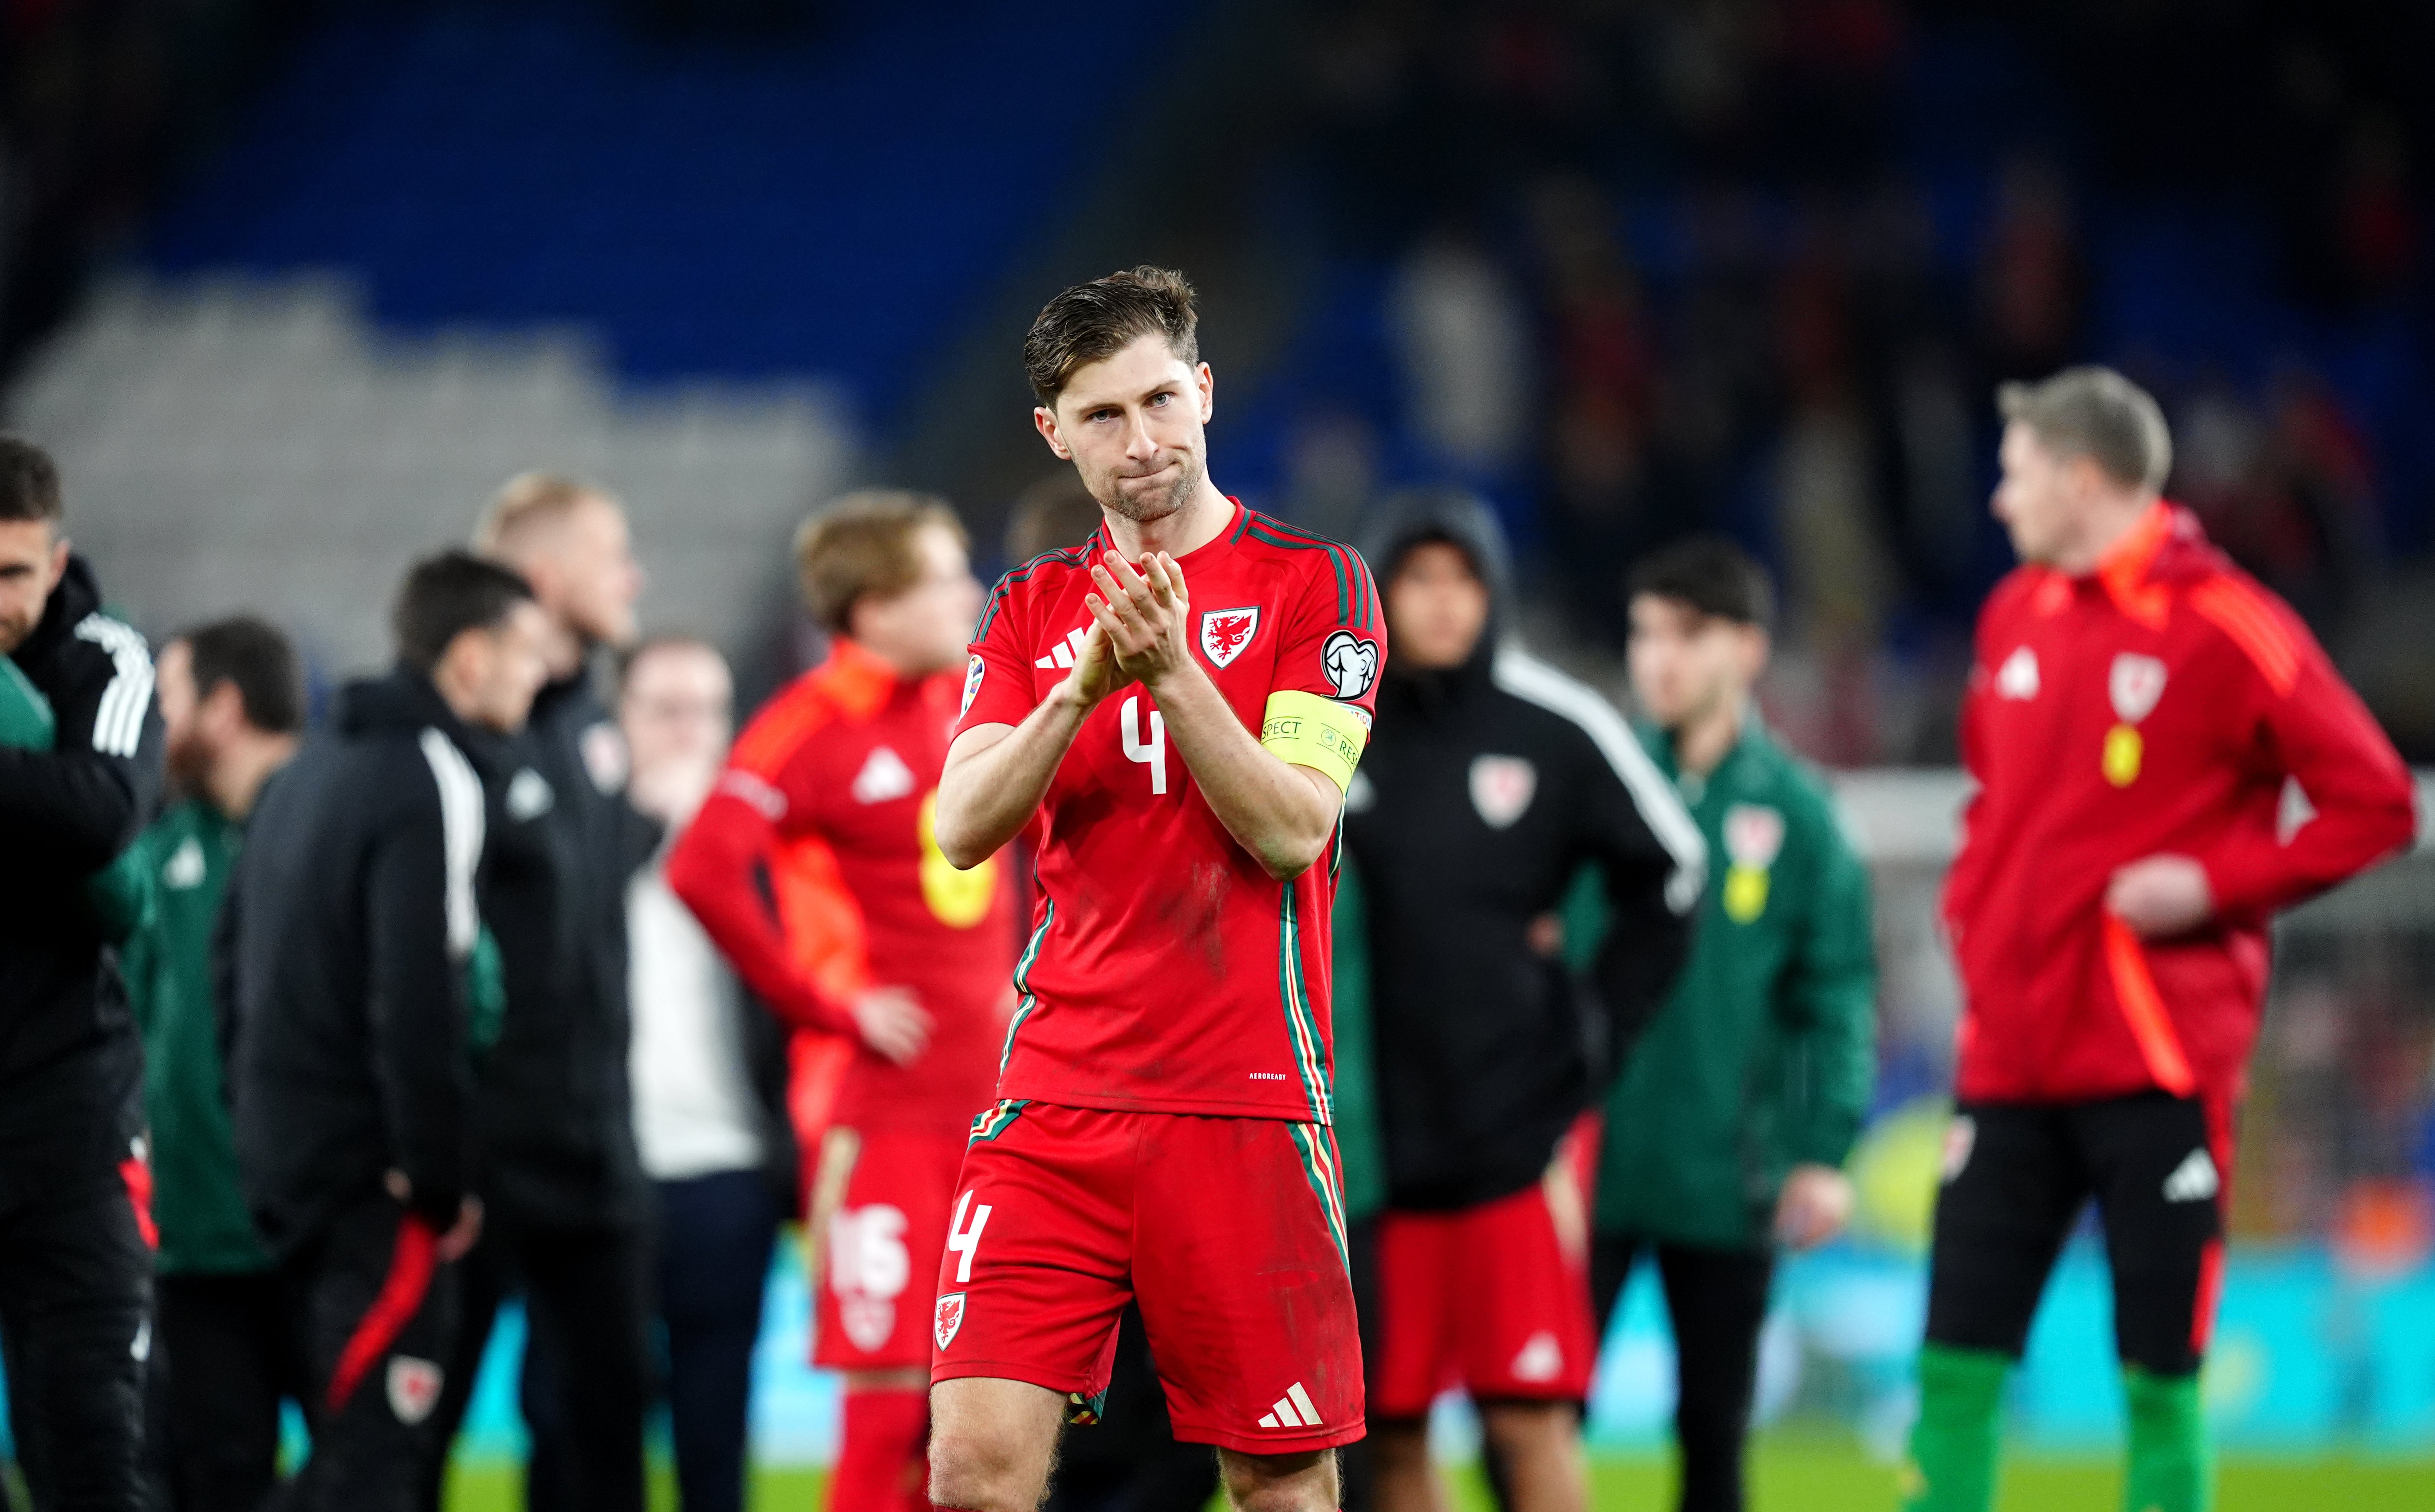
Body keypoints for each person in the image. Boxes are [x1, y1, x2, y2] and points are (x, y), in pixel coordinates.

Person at [1900, 367, 2417, 1512]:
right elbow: (1998, 801)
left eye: (2016, 473)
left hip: (2154, 1064)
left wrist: (2215, 884)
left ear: (2084, 479)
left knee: (2158, 1378)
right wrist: (1970, 913)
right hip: (2007, 1061)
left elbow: (2377, 803)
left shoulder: (2226, 624)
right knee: (1950, 1367)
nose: (1997, 499)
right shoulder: (2014, 613)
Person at [927, 266, 1382, 1512]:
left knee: (1280, 1482)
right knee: (971, 1469)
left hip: (1242, 1103)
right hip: (1056, 1100)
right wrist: (1082, 684)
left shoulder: (1318, 586)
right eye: (1104, 416)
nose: (1144, 441)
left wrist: (1173, 674)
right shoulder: (1030, 607)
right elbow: (961, 824)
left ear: (1209, 394)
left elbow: (1296, 830)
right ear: (1052, 434)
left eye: (1162, 400)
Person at [1340, 493, 1704, 1512]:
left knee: (1529, 1418)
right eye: (1418, 579)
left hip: (1510, 1148)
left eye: (1464, 580)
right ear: (1380, 593)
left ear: (1492, 595)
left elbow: (1673, 873)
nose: (1443, 604)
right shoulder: (1331, 732)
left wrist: (1592, 1034)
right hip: (1374, 1163)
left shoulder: (1550, 728)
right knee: (1393, 1432)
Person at [668, 493, 1017, 1512]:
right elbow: (702, 870)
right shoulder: (806, 727)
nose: (968, 591)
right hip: (877, 1114)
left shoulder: (972, 699)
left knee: (977, 1416)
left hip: (989, 1108)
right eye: (943, 574)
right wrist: (825, 1007)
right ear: (871, 607)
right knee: (889, 1407)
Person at [225, 551, 548, 1511]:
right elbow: (417, 995)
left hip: (282, 1170)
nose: (539, 674)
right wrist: (437, 1175)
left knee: (343, 1442)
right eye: (526, 653)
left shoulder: (305, 770)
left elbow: (229, 963)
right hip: (375, 1186)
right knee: (371, 1462)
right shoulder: (432, 776)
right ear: (470, 658)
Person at [1595, 538, 1877, 1512]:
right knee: (1530, 1424)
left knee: (1713, 1439)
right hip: (1587, 1164)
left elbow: (1834, 993)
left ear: (1747, 651)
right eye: (1642, 635)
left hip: (1729, 1173)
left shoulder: (1796, 814)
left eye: (1685, 635)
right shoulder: (1594, 782)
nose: (1657, 659)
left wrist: (1822, 1151)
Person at [422, 473, 656, 1512]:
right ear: (541, 579)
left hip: (594, 1155)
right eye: (611, 555)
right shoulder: (457, 742)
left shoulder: (589, 733)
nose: (633, 576)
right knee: (410, 1442)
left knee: (603, 1442)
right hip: (477, 1167)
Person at [0, 434, 163, 1511]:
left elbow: (105, 813)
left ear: (57, 562)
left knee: (93, 1452)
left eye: (10, 573)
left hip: (69, 1120)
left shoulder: (107, 658)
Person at [126, 617, 307, 1512]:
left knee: (366, 1474)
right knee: (214, 1481)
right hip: (195, 1245)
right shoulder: (158, 858)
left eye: (171, 700)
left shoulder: (338, 827)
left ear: (224, 709)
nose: (160, 726)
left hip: (321, 1236)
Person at [620, 635, 795, 1512]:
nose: (689, 732)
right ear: (621, 721)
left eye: (706, 711)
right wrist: (643, 827)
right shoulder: (574, 837)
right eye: (665, 709)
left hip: (728, 1171)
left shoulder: (765, 851)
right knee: (584, 1427)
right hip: (605, 1175)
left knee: (715, 1429)